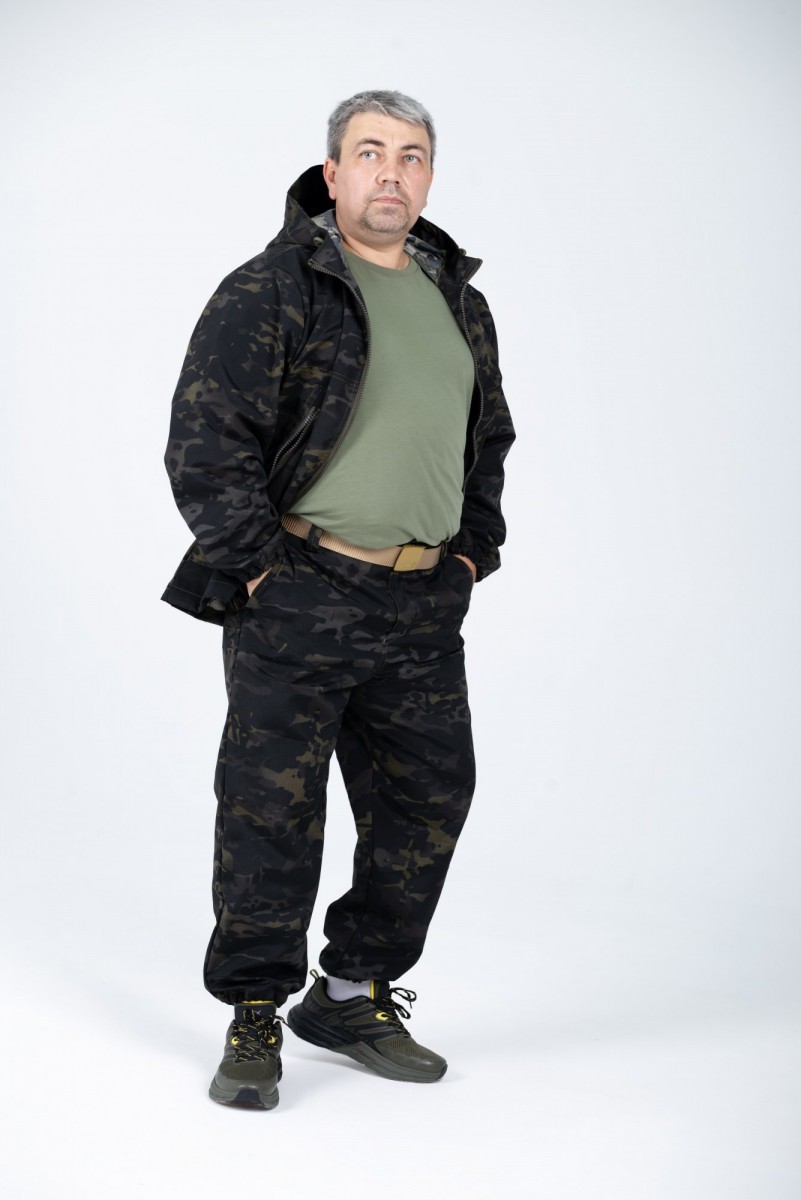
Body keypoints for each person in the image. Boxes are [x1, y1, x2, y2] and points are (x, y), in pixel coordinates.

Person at [163, 89, 514, 1109]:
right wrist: (260, 570)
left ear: (428, 178)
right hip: (301, 589)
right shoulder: (275, 286)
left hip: (421, 601)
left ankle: (351, 994)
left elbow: (486, 437)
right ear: (332, 173)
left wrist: (470, 554)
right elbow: (205, 437)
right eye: (370, 153)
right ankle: (254, 1011)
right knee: (272, 809)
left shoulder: (458, 299)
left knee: (429, 796)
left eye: (411, 156)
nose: (391, 173)